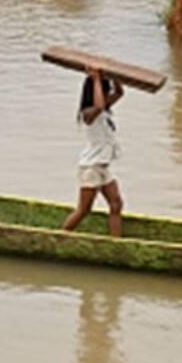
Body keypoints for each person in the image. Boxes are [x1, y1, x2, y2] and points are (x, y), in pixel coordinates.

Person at [61, 68, 125, 237]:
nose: (106, 93)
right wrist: (96, 79)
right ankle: (59, 238)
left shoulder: (104, 111)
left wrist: (115, 76)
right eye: (104, 90)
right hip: (91, 167)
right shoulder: (88, 114)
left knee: (116, 204)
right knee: (84, 209)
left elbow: (119, 92)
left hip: (102, 167)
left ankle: (116, 244)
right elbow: (98, 105)